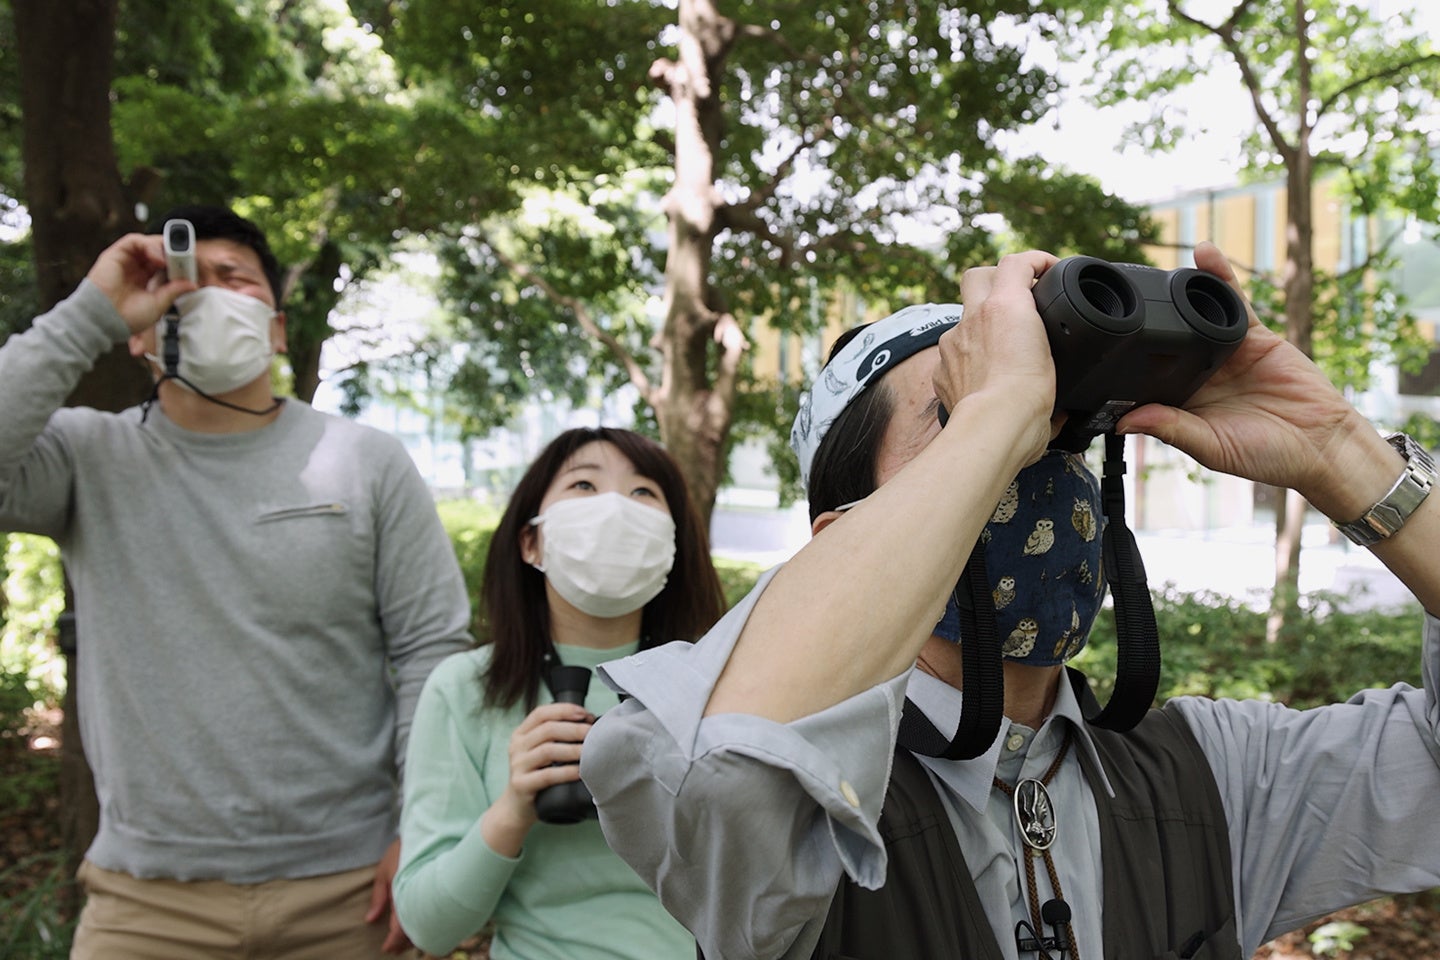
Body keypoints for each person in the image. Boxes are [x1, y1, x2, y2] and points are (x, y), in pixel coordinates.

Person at [580, 242, 1440, 960]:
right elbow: (724, 767)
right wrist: (1000, 412)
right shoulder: (805, 812)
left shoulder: (1212, 775)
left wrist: (1343, 457)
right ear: (845, 531)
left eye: (1058, 424)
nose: (1039, 448)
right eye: (958, 421)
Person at [0, 205, 473, 958]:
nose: (211, 296)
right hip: (145, 904)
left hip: (351, 896)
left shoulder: (367, 461)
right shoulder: (87, 456)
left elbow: (431, 651)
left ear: (278, 328)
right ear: (140, 329)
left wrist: (420, 828)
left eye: (236, 280)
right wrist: (89, 311)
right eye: (182, 281)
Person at [393, 426, 727, 959]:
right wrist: (513, 809)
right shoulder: (464, 690)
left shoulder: (720, 683)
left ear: (671, 544)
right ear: (531, 541)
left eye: (643, 492)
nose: (615, 507)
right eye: (584, 486)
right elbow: (429, 926)